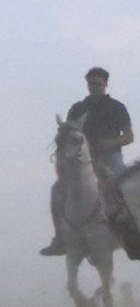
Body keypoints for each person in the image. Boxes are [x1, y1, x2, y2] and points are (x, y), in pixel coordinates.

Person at [42, 66, 135, 256]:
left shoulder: (117, 107)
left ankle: (133, 233)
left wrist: (108, 143)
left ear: (106, 84)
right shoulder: (77, 108)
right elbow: (68, 134)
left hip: (110, 157)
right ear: (87, 84)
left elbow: (129, 136)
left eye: (98, 83)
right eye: (91, 83)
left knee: (126, 185)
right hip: (83, 160)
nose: (94, 87)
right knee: (57, 191)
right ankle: (60, 238)